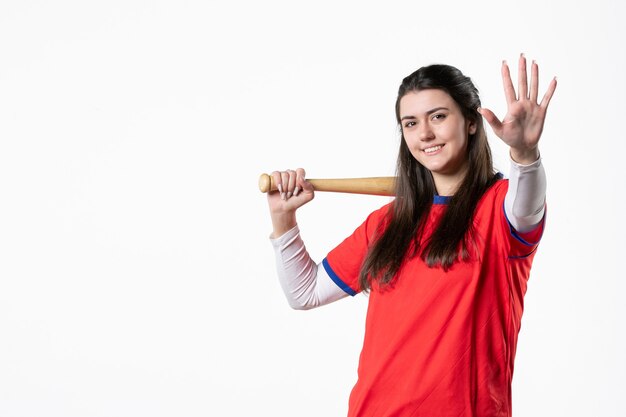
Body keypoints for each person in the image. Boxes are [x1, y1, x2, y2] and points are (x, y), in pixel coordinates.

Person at [266, 54, 557, 417]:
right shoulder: (387, 223)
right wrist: (283, 219)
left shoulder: (501, 211)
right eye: (410, 123)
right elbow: (304, 293)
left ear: (470, 122)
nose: (425, 134)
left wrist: (525, 153)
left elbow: (527, 203)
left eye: (438, 116)